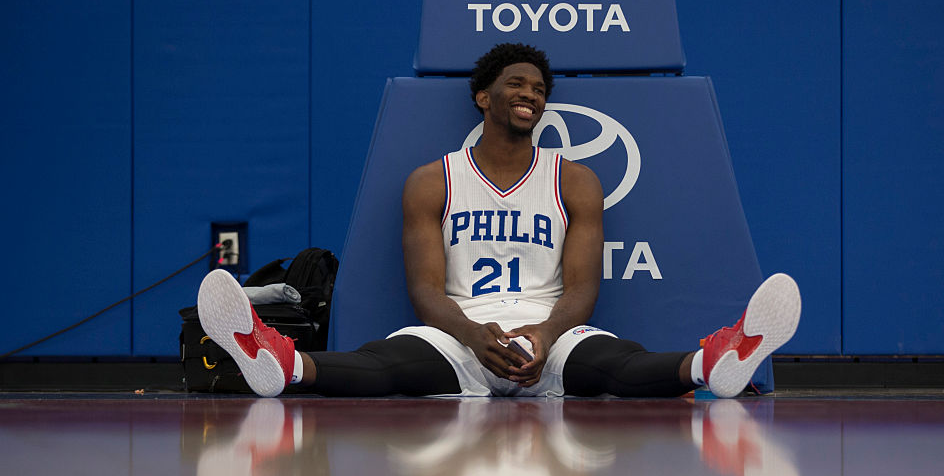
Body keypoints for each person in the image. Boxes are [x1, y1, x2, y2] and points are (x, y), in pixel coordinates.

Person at [197, 42, 801, 400]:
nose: (531, 94)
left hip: (551, 334)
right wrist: (473, 335)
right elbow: (426, 290)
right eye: (516, 83)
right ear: (482, 97)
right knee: (383, 364)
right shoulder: (433, 180)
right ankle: (280, 362)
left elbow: (584, 290)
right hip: (461, 333)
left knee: (619, 363)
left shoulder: (574, 180)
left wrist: (541, 334)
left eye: (540, 88)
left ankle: (715, 362)